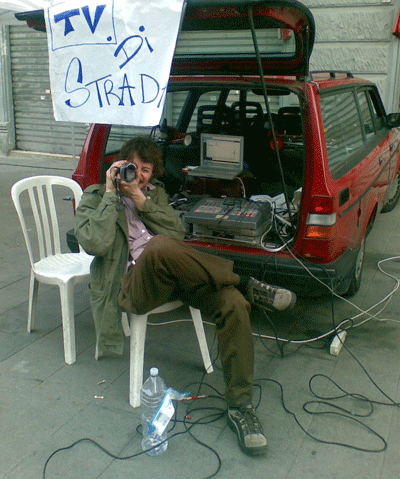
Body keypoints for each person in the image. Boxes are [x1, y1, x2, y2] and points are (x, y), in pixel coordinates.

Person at [74, 136, 296, 456]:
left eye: (147, 170)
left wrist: (140, 199)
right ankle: (245, 282)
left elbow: (178, 235)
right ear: (120, 165)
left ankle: (240, 407)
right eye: (134, 167)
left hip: (171, 276)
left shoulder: (154, 194)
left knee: (232, 303)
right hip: (132, 284)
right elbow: (94, 242)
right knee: (159, 246)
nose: (140, 176)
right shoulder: (96, 196)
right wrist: (112, 194)